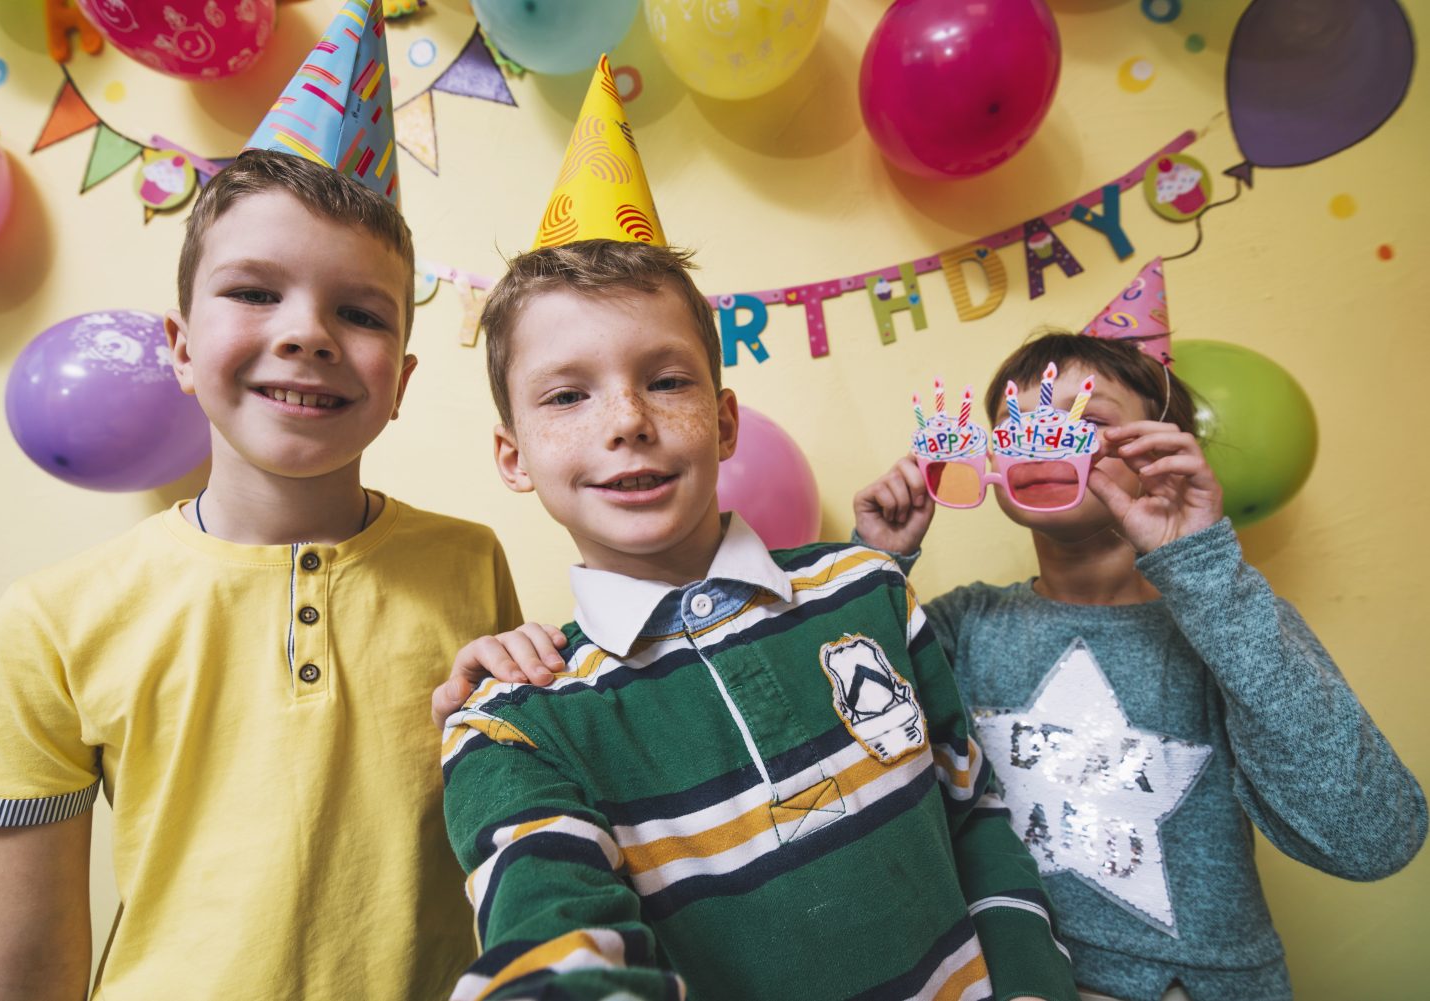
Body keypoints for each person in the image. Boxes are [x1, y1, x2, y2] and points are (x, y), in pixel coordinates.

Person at [0, 7, 522, 996]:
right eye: (254, 292)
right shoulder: (51, 618)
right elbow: (22, 964)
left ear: (403, 377)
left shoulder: (471, 561)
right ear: (180, 345)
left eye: (360, 311)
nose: (308, 332)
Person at [439, 236, 1078, 1001]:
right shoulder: (511, 723)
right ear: (513, 457)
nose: (629, 419)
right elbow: (550, 937)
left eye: (668, 380)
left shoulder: (869, 588)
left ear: (725, 419)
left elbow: (972, 815)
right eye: (567, 396)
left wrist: (1033, 983)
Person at [850, 329, 1427, 1001]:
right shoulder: (961, 625)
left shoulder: (1225, 616)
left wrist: (1203, 569)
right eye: (1015, 422)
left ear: (1162, 446)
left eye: (1085, 417)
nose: (1042, 436)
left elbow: (1372, 837)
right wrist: (874, 569)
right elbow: (842, 758)